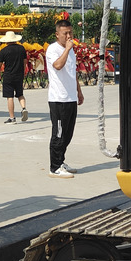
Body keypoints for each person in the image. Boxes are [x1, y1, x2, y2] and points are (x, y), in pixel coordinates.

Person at [46, 18, 84, 178]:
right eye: (65, 33)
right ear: (57, 34)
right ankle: (54, 168)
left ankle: (60, 161)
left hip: (70, 98)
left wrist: (79, 92)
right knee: (59, 134)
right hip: (58, 99)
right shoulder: (53, 49)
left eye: (70, 33)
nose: (69, 36)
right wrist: (67, 49)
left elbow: (72, 72)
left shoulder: (71, 51)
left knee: (68, 134)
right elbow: (57, 65)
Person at [0, 31, 28, 123]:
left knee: (10, 97)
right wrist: (23, 71)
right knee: (20, 94)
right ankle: (24, 108)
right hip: (19, 75)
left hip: (8, 76)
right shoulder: (21, 48)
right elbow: (25, 61)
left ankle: (12, 118)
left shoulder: (4, 51)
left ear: (6, 41)